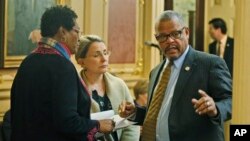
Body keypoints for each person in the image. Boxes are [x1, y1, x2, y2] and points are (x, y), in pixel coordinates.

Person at [119, 10, 232, 141]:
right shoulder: (155, 72)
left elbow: (230, 101)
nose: (170, 41)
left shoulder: (209, 64)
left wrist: (215, 108)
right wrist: (135, 113)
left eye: (175, 34)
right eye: (162, 37)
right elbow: (160, 115)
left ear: (186, 33)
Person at [10, 6, 114, 141]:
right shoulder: (62, 67)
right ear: (63, 32)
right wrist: (98, 125)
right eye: (77, 31)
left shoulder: (28, 61)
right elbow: (67, 122)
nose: (79, 38)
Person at [75, 35, 140, 141]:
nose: (104, 59)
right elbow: (72, 127)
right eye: (96, 55)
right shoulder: (73, 87)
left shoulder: (119, 85)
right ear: (81, 62)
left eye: (105, 53)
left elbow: (131, 121)